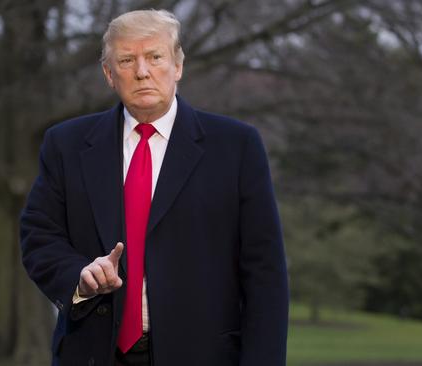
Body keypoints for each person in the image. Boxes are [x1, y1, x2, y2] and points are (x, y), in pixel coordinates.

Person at [20, 9, 288, 366]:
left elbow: (265, 273)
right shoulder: (66, 145)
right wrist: (79, 278)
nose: (142, 71)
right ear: (108, 73)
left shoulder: (236, 147)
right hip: (93, 354)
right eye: (127, 59)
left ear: (177, 66)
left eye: (155, 57)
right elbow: (39, 236)